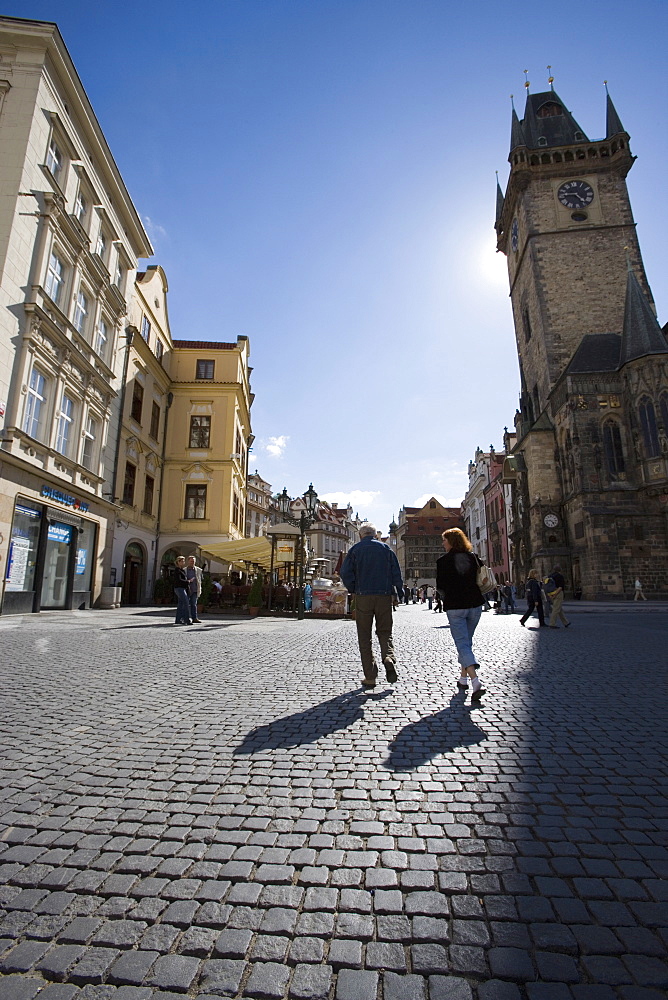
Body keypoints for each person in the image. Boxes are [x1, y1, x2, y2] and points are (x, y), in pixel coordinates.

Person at [340, 522, 404, 688]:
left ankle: (370, 676)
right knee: (385, 631)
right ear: (375, 535)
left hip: (363, 596)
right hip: (383, 596)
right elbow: (396, 571)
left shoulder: (355, 550)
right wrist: (398, 592)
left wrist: (354, 588)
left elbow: (345, 572)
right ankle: (388, 657)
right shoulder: (385, 549)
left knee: (364, 636)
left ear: (361, 535)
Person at [435, 527, 486, 701]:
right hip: (475, 605)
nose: (443, 543)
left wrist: (447, 595)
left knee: (462, 644)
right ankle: (462, 679)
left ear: (451, 541)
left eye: (444, 540)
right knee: (466, 643)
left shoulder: (443, 561)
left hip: (456, 606)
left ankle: (476, 681)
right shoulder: (473, 558)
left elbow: (440, 586)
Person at [547, 564, 571, 629]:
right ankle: (552, 623)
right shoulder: (560, 576)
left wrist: (551, 595)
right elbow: (560, 587)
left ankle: (566, 622)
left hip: (551, 593)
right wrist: (556, 594)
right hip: (558, 593)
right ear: (560, 570)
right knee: (556, 609)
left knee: (558, 608)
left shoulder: (550, 576)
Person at [172, 556, 191, 625]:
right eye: (182, 561)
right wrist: (188, 581)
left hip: (182, 588)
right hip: (179, 588)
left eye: (184, 561)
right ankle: (186, 620)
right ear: (178, 562)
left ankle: (178, 620)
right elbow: (178, 580)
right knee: (186, 603)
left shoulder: (182, 570)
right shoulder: (177, 570)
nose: (183, 562)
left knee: (180, 604)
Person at [186, 556, 203, 623]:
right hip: (187, 589)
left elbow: (200, 579)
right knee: (186, 604)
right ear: (188, 562)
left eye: (193, 561)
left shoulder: (198, 570)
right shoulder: (185, 570)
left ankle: (194, 618)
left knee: (194, 604)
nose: (192, 563)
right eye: (191, 561)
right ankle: (186, 618)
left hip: (195, 589)